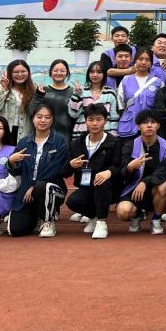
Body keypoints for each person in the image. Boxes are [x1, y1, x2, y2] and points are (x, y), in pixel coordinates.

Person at [6, 104, 70, 238]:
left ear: (52, 120)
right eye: (39, 117)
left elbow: (54, 169)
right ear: (33, 119)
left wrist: (34, 186)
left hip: (52, 189)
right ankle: (37, 215)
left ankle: (48, 221)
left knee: (42, 187)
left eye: (47, 117)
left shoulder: (60, 141)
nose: (43, 120)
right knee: (16, 230)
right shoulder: (24, 142)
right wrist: (11, 162)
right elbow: (17, 171)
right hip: (26, 193)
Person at [63, 103, 121, 240]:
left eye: (99, 119)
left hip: (110, 188)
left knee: (101, 181)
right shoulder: (76, 144)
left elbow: (120, 167)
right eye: (91, 119)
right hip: (87, 187)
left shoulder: (114, 142)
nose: (95, 123)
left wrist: (109, 172)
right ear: (85, 121)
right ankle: (93, 217)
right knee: (72, 201)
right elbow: (65, 172)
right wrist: (70, 165)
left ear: (105, 121)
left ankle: (101, 222)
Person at [116, 110, 166, 235]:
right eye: (145, 122)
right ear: (138, 126)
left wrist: (145, 182)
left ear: (158, 125)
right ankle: (138, 215)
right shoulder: (130, 146)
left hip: (155, 190)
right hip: (134, 190)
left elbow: (163, 172)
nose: (149, 125)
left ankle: (156, 219)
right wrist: (130, 167)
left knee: (164, 186)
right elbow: (122, 172)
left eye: (153, 122)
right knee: (123, 212)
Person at [116, 50, 163, 139]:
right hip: (129, 127)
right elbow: (120, 106)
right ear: (135, 60)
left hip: (149, 128)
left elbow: (160, 107)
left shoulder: (158, 83)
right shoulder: (125, 80)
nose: (143, 62)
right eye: (140, 59)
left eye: (147, 60)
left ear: (151, 63)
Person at [0, 59, 35, 142]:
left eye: (23, 71)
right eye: (16, 72)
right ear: (9, 73)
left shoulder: (33, 90)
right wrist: (4, 89)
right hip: (3, 131)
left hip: (24, 132)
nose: (20, 74)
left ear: (28, 73)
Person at [68, 61, 119, 137]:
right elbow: (73, 114)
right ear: (88, 74)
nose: (95, 75)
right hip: (81, 135)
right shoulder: (81, 91)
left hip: (104, 136)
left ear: (104, 74)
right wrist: (77, 95)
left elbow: (114, 118)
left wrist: (112, 136)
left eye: (99, 72)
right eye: (92, 72)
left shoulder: (110, 93)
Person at [30, 59, 76, 137]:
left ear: (67, 73)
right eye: (55, 70)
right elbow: (32, 111)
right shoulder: (42, 90)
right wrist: (38, 94)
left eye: (62, 71)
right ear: (50, 72)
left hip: (66, 134)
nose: (59, 73)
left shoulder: (73, 91)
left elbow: (76, 114)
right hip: (43, 134)